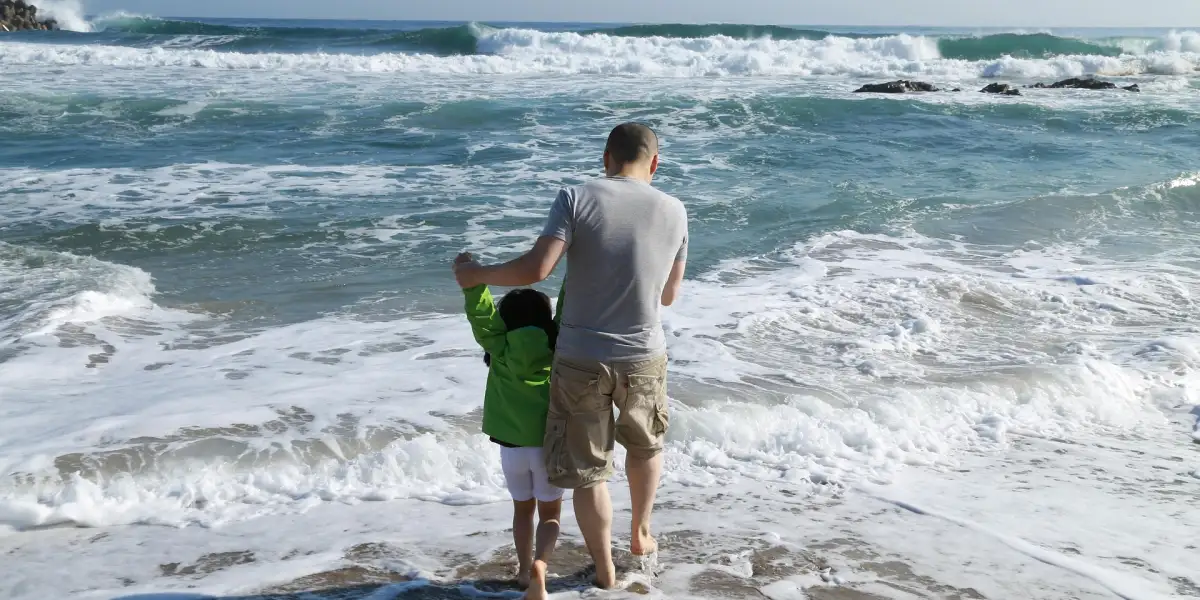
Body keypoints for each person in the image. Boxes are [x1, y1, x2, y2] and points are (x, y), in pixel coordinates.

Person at [453, 122, 688, 589]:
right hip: (644, 352)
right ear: (655, 164)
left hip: (581, 356)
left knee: (587, 469)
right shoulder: (675, 210)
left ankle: (604, 567)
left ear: (606, 158)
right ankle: (641, 534)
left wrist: (475, 275)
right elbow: (668, 295)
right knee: (644, 447)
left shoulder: (576, 197)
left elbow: (537, 268)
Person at [456, 251, 563, 600]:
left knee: (522, 511)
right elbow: (572, 308)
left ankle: (521, 570)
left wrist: (472, 280)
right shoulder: (557, 342)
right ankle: (541, 567)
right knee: (550, 515)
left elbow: (481, 315)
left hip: (512, 448)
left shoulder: (498, 344)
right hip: (549, 444)